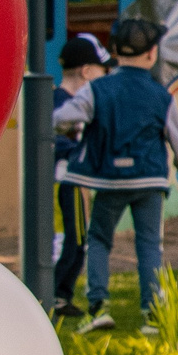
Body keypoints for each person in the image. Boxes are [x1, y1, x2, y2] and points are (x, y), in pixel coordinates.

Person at [56, 16, 178, 333]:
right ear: (152, 54)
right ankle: (151, 315)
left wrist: (64, 126)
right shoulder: (160, 96)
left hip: (108, 179)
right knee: (149, 244)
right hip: (149, 180)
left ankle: (98, 307)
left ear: (115, 53)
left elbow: (64, 117)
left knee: (98, 239)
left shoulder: (97, 90)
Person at [51, 33, 111, 320]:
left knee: (76, 239)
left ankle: (60, 295)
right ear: (87, 72)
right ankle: (55, 294)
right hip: (63, 180)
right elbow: (56, 142)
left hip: (71, 180)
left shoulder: (71, 103)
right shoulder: (60, 102)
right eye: (102, 71)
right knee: (70, 240)